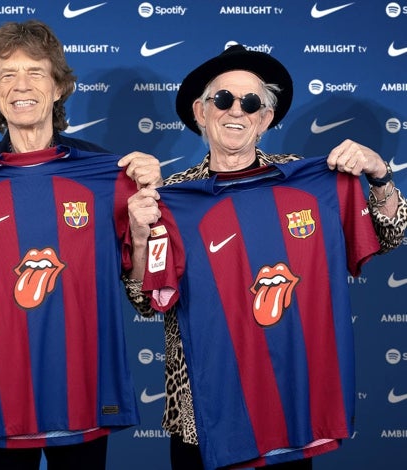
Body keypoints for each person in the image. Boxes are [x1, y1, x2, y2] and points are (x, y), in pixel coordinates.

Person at [124, 44, 407, 470]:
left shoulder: (311, 183)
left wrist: (380, 175)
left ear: (265, 119)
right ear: (201, 112)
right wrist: (142, 237)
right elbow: (147, 300)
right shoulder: (168, 199)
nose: (236, 111)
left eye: (251, 103)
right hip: (202, 416)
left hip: (289, 410)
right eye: (223, 100)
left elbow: (391, 234)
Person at [0, 20, 159, 470]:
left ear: (59, 87)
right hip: (2, 399)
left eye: (36, 72)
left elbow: (141, 283)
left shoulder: (107, 174)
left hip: (85, 390)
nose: (22, 86)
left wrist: (144, 217)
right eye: (8, 75)